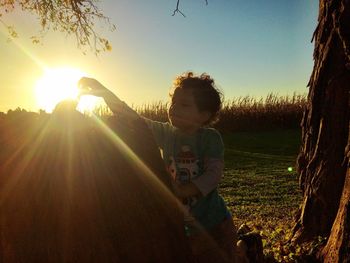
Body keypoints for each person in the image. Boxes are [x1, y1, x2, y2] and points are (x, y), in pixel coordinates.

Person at [78, 72, 238, 263]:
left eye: (184, 104)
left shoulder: (209, 138)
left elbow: (213, 174)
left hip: (214, 225)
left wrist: (184, 190)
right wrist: (105, 93)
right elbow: (134, 120)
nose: (174, 108)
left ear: (204, 115)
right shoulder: (166, 133)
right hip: (184, 226)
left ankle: (246, 250)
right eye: (173, 102)